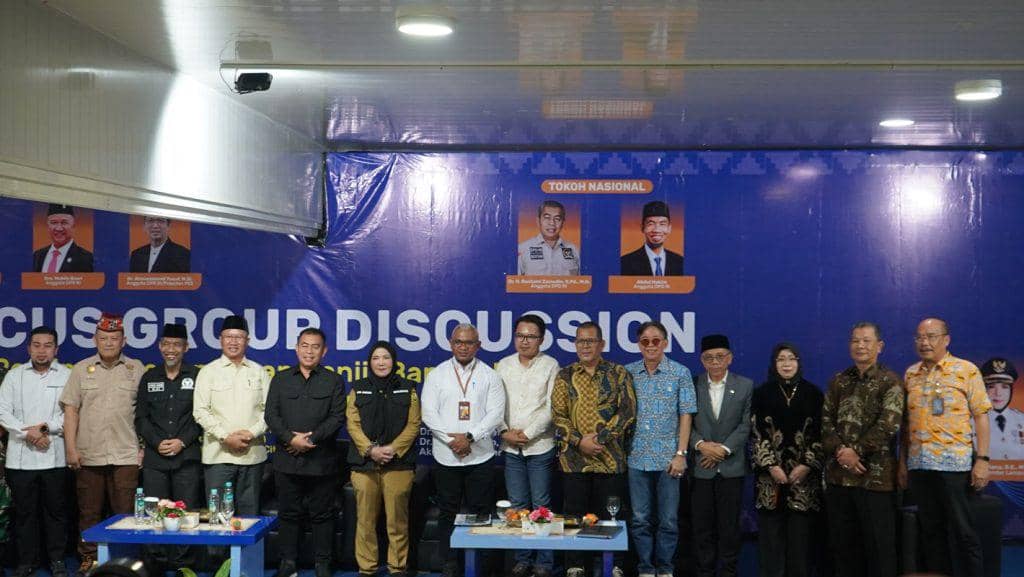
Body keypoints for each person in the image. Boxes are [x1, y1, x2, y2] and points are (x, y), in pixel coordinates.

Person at [899, 317, 991, 577]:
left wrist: (982, 459)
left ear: (946, 339)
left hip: (955, 466)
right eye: (919, 337)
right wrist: (904, 462)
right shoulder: (910, 373)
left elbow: (981, 416)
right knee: (931, 533)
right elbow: (905, 424)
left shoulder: (966, 370)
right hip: (919, 466)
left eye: (931, 336)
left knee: (964, 532)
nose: (924, 342)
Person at [59, 313, 144, 576]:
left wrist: (142, 449)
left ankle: (125, 561)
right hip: (89, 453)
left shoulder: (136, 369)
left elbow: (146, 412)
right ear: (95, 339)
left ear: (124, 341)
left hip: (126, 453)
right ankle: (89, 558)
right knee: (89, 512)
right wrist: (70, 448)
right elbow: (71, 411)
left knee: (126, 514)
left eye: (114, 338)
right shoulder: (81, 369)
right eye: (103, 338)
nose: (108, 343)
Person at [552, 321, 636, 577]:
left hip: (609, 459)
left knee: (612, 515)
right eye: (580, 341)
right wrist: (580, 442)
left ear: (602, 344)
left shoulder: (619, 373)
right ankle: (575, 566)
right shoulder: (564, 375)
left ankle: (616, 566)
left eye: (590, 341)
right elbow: (557, 416)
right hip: (574, 460)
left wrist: (598, 440)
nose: (585, 346)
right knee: (574, 515)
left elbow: (627, 413)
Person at [420, 324, 505, 577]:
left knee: (481, 511)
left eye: (469, 343)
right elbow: (429, 413)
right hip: (446, 456)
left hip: (480, 455)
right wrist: (452, 441)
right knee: (448, 512)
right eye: (459, 342)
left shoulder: (491, 375)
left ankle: (484, 566)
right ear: (450, 343)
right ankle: (449, 564)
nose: (463, 347)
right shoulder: (437, 374)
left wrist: (469, 437)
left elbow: (495, 414)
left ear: (478, 345)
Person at [821, 322, 903, 577]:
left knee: (879, 549)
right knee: (843, 548)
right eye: (855, 340)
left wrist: (855, 451)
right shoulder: (838, 380)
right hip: (838, 478)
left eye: (866, 340)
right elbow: (825, 423)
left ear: (880, 346)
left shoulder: (890, 381)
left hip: (874, 479)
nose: (860, 345)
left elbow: (888, 425)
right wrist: (841, 454)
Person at [265, 328, 346, 577]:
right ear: (296, 348)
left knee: (322, 515)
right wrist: (291, 439)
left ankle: (323, 563)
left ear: (324, 351)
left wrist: (309, 439)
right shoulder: (280, 379)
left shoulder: (333, 381)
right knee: (288, 514)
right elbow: (271, 415)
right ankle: (288, 563)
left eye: (315, 347)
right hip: (287, 461)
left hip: (321, 461)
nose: (309, 351)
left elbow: (336, 417)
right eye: (305, 345)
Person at [625, 321, 696, 577]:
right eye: (645, 341)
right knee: (640, 519)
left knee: (668, 521)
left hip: (669, 460)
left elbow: (686, 415)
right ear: (638, 345)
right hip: (636, 458)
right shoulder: (628, 372)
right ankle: (645, 568)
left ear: (665, 343)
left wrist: (681, 454)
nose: (651, 345)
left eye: (656, 340)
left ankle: (665, 568)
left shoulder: (680, 372)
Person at [0, 326, 71, 577]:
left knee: (56, 513)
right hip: (20, 459)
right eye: (37, 345)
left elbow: (71, 415)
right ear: (29, 348)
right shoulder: (14, 376)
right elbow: (3, 412)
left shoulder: (66, 376)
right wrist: (27, 432)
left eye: (48, 345)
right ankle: (26, 562)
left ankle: (57, 561)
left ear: (56, 349)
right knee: (24, 514)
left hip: (55, 457)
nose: (42, 351)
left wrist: (44, 428)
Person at [347, 341, 422, 577]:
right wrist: (371, 450)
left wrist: (391, 449)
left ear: (394, 361)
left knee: (397, 521)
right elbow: (352, 423)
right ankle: (366, 569)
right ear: (370, 362)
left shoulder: (408, 388)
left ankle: (397, 568)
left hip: (398, 464)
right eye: (376, 358)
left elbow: (414, 424)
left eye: (386, 358)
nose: (381, 362)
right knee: (365, 521)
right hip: (364, 465)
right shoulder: (357, 388)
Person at [751, 343, 824, 577]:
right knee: (771, 544)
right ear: (774, 364)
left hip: (804, 482)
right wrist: (771, 466)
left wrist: (806, 465)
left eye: (791, 359)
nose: (786, 364)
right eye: (781, 359)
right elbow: (755, 432)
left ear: (799, 363)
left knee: (801, 546)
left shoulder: (813, 393)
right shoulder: (762, 393)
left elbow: (822, 434)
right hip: (770, 480)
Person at [134, 323, 202, 571]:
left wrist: (181, 441)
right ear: (160, 346)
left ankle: (184, 565)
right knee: (155, 514)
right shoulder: (149, 377)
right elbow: (141, 417)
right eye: (166, 344)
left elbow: (203, 416)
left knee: (186, 514)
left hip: (187, 457)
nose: (171, 349)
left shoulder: (197, 376)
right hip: (155, 459)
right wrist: (156, 442)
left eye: (177, 344)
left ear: (186, 347)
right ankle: (156, 565)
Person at [496, 315, 559, 577]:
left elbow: (551, 407)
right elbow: (494, 404)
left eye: (531, 336)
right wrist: (503, 431)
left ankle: (544, 562)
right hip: (511, 448)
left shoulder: (550, 365)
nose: (524, 341)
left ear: (541, 340)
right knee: (519, 504)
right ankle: (523, 559)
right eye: (520, 335)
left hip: (540, 446)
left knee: (542, 504)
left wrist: (528, 433)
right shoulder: (503, 366)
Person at [193, 315, 270, 516]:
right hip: (218, 456)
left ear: (247, 341)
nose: (233, 342)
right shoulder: (208, 372)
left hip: (252, 456)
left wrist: (250, 434)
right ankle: (218, 550)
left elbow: (270, 411)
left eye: (239, 337)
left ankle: (246, 551)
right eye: (229, 337)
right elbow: (200, 411)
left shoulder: (259, 372)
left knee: (248, 518)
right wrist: (225, 437)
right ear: (220, 339)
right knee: (217, 516)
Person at [689, 334, 752, 577]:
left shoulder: (745, 385)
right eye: (708, 357)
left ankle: (728, 573)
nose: (714, 362)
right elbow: (684, 422)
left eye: (720, 356)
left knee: (729, 529)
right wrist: (702, 445)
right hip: (700, 469)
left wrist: (723, 450)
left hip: (731, 468)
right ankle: (704, 572)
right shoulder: (692, 384)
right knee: (702, 529)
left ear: (730, 358)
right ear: (702, 360)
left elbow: (746, 425)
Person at [619, 201, 684, 276]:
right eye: (651, 224)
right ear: (642, 228)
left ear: (669, 228)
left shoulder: (680, 262)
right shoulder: (625, 263)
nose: (656, 230)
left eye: (662, 224)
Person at [517, 200, 581, 275]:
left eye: (557, 219)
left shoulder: (575, 250)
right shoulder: (522, 249)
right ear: (538, 221)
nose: (552, 223)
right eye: (547, 218)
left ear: (563, 222)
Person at [981, 357, 1024, 460]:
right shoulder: (971, 423)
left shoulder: (1022, 420)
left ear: (1011, 390)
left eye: (1005, 387)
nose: (998, 393)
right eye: (991, 387)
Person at [32, 204, 94, 273]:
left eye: (64, 223)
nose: (59, 228)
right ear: (48, 226)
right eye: (54, 223)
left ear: (73, 226)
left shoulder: (87, 259)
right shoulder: (37, 256)